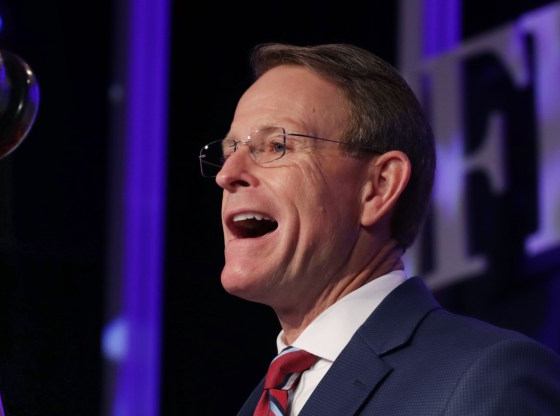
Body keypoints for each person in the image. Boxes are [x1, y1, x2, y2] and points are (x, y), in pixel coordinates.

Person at [198, 42, 560, 415]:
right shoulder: (257, 403)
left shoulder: (486, 378)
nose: (227, 175)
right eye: (228, 153)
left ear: (379, 187)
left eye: (276, 146)